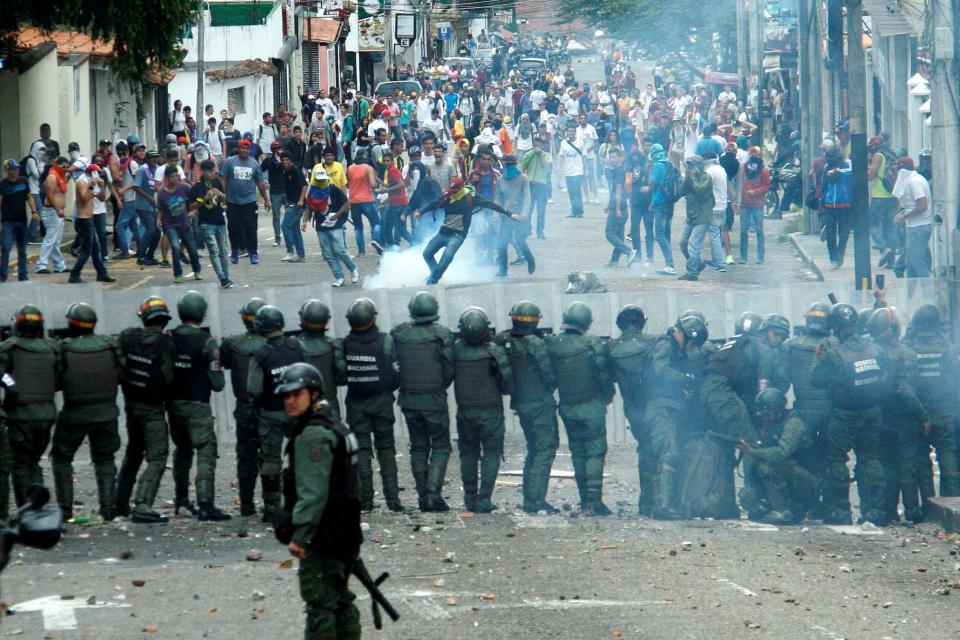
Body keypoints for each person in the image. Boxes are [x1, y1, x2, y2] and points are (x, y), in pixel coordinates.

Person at [274, 363, 364, 640]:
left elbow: (312, 494)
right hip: (345, 529)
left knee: (320, 606)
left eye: (296, 394)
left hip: (323, 535)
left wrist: (300, 536)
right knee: (340, 599)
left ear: (313, 394)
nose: (289, 401)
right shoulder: (337, 425)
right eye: (286, 395)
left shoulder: (313, 434)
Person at [811, 304, 889, 525]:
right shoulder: (875, 349)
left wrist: (819, 355)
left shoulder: (833, 353)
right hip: (872, 412)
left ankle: (839, 512)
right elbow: (885, 377)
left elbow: (815, 379)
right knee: (870, 459)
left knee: (835, 460)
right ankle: (875, 511)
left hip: (844, 415)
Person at [50, 303, 123, 521]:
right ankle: (108, 508)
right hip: (106, 413)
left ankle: (65, 510)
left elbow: (56, 381)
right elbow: (122, 373)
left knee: (62, 459)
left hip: (75, 413)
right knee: (105, 459)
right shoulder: (109, 345)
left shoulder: (64, 348)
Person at [167, 291, 231, 521]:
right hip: (198, 405)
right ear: (202, 314)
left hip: (174, 405)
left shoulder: (170, 338)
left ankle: (181, 499)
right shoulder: (207, 342)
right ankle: (205, 502)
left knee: (182, 451)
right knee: (205, 451)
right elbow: (218, 383)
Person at [546, 302, 614, 516]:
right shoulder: (592, 344)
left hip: (568, 406)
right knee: (595, 453)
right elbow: (603, 375)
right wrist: (607, 395)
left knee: (578, 453)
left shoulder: (552, 344)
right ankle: (594, 502)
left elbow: (548, 377)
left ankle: (585, 500)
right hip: (592, 406)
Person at [390, 292, 455, 511]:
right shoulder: (442, 335)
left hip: (409, 399)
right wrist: (437, 387)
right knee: (440, 446)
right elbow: (449, 370)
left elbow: (394, 365)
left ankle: (422, 497)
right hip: (434, 399)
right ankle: (432, 495)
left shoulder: (399, 334)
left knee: (418, 447)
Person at [645, 313, 713, 519]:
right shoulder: (665, 345)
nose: (692, 349)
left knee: (671, 454)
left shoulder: (677, 350)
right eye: (692, 343)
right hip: (661, 409)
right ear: (687, 335)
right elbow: (661, 370)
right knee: (669, 453)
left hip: (671, 409)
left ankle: (664, 503)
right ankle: (662, 506)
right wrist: (685, 379)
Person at [115, 297, 176, 523]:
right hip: (152, 408)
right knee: (157, 457)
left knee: (133, 454)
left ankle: (118, 503)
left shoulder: (128, 336)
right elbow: (168, 378)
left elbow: (118, 361)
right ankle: (143, 503)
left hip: (132, 405)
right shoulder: (166, 344)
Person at [338, 298, 403, 512]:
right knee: (386, 448)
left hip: (356, 404)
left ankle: (365, 500)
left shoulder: (345, 344)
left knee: (362, 450)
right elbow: (396, 373)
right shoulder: (385, 341)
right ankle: (393, 499)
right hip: (382, 402)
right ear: (373, 318)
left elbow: (341, 374)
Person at [452, 308, 512, 513]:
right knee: (492, 454)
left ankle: (470, 498)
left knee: (468, 453)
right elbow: (507, 384)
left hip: (465, 412)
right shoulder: (495, 351)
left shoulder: (455, 350)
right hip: (491, 412)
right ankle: (484, 499)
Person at [247, 305, 304, 520]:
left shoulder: (260, 355)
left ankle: (271, 507)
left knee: (271, 459)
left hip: (271, 413)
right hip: (297, 412)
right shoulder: (296, 347)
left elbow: (253, 389)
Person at [0, 306, 60, 507]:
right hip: (46, 414)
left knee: (21, 464)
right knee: (34, 462)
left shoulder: (9, 348)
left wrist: (11, 387)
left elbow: (3, 376)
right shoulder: (52, 348)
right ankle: (37, 508)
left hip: (20, 416)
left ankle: (26, 509)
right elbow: (59, 381)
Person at [903, 304, 960, 518]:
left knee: (921, 459)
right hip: (944, 410)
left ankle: (927, 507)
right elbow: (955, 379)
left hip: (917, 413)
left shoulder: (908, 348)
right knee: (947, 455)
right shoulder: (947, 349)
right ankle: (952, 507)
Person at [413, 177, 522, 284]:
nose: (452, 193)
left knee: (447, 257)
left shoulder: (471, 198)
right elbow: (435, 203)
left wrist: (509, 213)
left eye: (455, 191)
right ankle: (434, 274)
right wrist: (421, 212)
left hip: (457, 235)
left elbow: (491, 205)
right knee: (427, 253)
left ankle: (432, 280)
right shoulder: (448, 196)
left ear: (461, 188)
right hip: (443, 232)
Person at [736, 389, 820, 524]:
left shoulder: (794, 424)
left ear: (778, 409)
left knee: (767, 467)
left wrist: (752, 451)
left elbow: (781, 453)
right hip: (792, 477)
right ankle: (765, 503)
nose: (765, 418)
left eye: (768, 413)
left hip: (807, 482)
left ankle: (782, 510)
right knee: (754, 462)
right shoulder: (772, 424)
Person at [606, 305, 659, 514]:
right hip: (655, 405)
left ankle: (646, 501)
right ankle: (657, 500)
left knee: (645, 448)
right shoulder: (654, 343)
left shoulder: (612, 348)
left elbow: (606, 378)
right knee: (660, 451)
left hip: (633, 409)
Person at [220, 298, 268, 516]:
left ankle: (247, 505)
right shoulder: (272, 346)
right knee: (269, 456)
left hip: (244, 410)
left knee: (245, 457)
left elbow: (226, 362)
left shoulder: (232, 344)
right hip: (268, 410)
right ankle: (271, 504)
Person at [303, 167, 359, 287]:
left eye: (323, 180)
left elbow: (347, 202)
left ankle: (353, 269)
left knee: (339, 250)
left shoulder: (333, 189)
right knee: (328, 254)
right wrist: (304, 221)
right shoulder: (312, 192)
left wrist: (337, 215)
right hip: (321, 225)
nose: (321, 182)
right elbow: (309, 207)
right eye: (318, 180)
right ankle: (339, 277)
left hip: (335, 224)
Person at [221, 139, 271, 264]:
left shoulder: (254, 164)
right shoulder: (230, 162)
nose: (245, 150)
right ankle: (234, 251)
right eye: (243, 148)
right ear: (239, 149)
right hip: (232, 201)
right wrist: (223, 197)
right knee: (233, 227)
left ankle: (253, 253)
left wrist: (266, 199)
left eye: (247, 149)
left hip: (249, 201)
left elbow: (260, 183)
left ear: (250, 150)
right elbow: (223, 179)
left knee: (251, 227)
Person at [189, 160, 233, 288]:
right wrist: (205, 198)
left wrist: (221, 194)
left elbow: (226, 199)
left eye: (214, 170)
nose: (214, 173)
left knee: (223, 251)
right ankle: (222, 278)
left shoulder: (217, 182)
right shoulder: (197, 187)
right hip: (206, 222)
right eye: (210, 171)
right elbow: (191, 205)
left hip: (219, 220)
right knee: (213, 250)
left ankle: (226, 276)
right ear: (203, 172)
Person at [156, 164, 202, 283]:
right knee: (175, 247)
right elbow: (160, 209)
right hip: (170, 225)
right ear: (167, 178)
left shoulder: (185, 188)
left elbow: (194, 202)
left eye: (176, 176)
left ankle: (197, 270)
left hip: (185, 223)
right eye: (172, 177)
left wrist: (193, 211)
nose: (175, 179)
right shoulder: (162, 193)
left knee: (192, 248)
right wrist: (158, 219)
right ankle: (178, 274)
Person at [493, 154, 534, 277]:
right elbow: (498, 198)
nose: (509, 166)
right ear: (504, 165)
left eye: (511, 164)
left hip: (521, 216)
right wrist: (497, 213)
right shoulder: (500, 180)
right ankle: (502, 270)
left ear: (515, 164)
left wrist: (524, 214)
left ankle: (530, 259)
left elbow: (527, 197)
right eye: (507, 164)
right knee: (501, 244)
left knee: (520, 240)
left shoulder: (523, 178)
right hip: (507, 215)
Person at [892, 156, 932, 278]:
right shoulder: (914, 180)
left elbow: (922, 206)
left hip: (918, 227)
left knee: (916, 261)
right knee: (911, 263)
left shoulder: (914, 182)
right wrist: (903, 214)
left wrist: (905, 216)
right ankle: (911, 294)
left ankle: (927, 291)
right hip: (915, 226)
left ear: (902, 171)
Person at [677, 155, 714, 281]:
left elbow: (700, 190)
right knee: (683, 243)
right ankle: (697, 264)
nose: (690, 168)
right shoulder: (691, 177)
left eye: (692, 166)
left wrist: (691, 178)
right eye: (689, 166)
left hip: (703, 216)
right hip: (692, 216)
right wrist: (687, 177)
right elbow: (681, 192)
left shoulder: (706, 177)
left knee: (693, 244)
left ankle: (692, 273)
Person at [0, 158, 38, 281]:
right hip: (8, 221)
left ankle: (23, 275)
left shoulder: (23, 181)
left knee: (22, 249)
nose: (15, 171)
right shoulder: (3, 185)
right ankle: (3, 276)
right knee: (6, 248)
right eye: (13, 169)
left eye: (16, 168)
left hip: (22, 220)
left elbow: (29, 197)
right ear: (7, 171)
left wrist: (34, 211)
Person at [35, 156, 70, 275]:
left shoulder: (62, 176)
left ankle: (59, 265)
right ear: (57, 165)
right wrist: (57, 209)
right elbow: (49, 194)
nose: (65, 168)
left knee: (56, 241)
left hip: (58, 212)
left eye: (67, 166)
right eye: (63, 166)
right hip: (52, 211)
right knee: (50, 239)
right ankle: (41, 265)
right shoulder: (52, 176)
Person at [821, 147, 853, 268]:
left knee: (844, 233)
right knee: (830, 234)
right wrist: (823, 201)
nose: (830, 161)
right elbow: (824, 186)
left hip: (844, 204)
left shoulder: (846, 165)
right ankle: (833, 258)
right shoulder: (826, 168)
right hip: (829, 205)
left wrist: (837, 172)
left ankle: (840, 255)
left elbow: (851, 173)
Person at [602, 147, 634, 267]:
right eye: (610, 157)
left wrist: (616, 209)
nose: (611, 159)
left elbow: (619, 191)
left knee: (609, 233)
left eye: (614, 157)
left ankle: (629, 251)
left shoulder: (619, 171)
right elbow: (614, 192)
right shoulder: (618, 170)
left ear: (620, 158)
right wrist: (608, 205)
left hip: (619, 208)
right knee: (619, 235)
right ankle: (614, 261)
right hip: (621, 207)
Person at [347, 158, 384, 256]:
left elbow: (347, 184)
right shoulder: (368, 168)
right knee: (376, 223)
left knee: (358, 227)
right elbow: (372, 184)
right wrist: (377, 184)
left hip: (354, 201)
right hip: (367, 200)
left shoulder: (350, 168)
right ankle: (375, 240)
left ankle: (361, 252)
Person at [648, 143, 676, 274]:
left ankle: (670, 265)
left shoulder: (658, 166)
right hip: (670, 203)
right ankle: (669, 264)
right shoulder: (669, 164)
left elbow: (653, 184)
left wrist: (652, 202)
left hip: (661, 203)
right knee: (666, 233)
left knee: (659, 234)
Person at [739, 147, 770, 264]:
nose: (754, 156)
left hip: (758, 204)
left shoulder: (764, 170)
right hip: (745, 204)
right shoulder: (743, 168)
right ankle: (743, 257)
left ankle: (760, 257)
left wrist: (755, 192)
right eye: (752, 154)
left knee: (759, 231)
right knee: (743, 231)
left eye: (756, 154)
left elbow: (766, 186)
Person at [278, 151, 308, 263]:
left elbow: (305, 186)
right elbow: (290, 189)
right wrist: (287, 201)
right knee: (295, 229)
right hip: (292, 202)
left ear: (291, 161)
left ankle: (290, 251)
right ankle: (301, 255)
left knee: (285, 226)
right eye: (283, 160)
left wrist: (301, 200)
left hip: (298, 204)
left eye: (287, 160)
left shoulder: (295, 170)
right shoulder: (286, 172)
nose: (285, 162)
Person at [521, 137, 550, 239]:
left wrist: (540, 153)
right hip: (530, 186)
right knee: (528, 210)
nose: (537, 147)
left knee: (541, 211)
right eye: (535, 145)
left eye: (539, 146)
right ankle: (526, 230)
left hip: (542, 186)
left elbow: (546, 167)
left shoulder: (546, 155)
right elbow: (522, 169)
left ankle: (540, 232)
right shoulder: (528, 154)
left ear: (542, 146)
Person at [261, 141, 286, 247]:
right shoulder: (268, 161)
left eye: (279, 148)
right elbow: (259, 170)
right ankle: (277, 238)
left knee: (291, 213)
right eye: (275, 149)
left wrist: (282, 160)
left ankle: (291, 235)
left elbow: (294, 168)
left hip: (287, 190)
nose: (277, 150)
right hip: (275, 192)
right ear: (272, 150)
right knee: (276, 216)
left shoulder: (285, 159)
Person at [557, 125, 586, 218]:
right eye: (570, 131)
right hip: (568, 171)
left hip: (578, 171)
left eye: (573, 131)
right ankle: (574, 211)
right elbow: (561, 156)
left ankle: (579, 211)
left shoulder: (580, 142)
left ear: (575, 132)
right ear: (567, 132)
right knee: (571, 192)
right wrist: (560, 169)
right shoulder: (563, 143)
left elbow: (584, 156)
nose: (571, 133)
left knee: (577, 191)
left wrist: (585, 169)